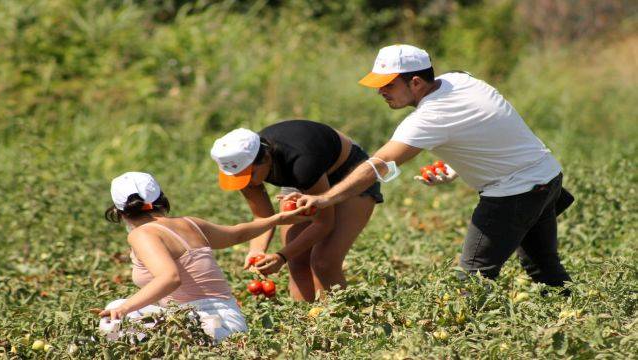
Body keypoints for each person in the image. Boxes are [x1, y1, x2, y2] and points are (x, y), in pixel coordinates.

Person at [292, 45, 573, 288]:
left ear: (415, 82)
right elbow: (484, 124)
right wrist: (456, 167)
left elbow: (377, 166)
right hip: (547, 177)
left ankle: (463, 346)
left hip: (514, 193)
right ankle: (572, 321)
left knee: (472, 279)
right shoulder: (461, 80)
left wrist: (325, 197)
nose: (380, 92)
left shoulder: (429, 118)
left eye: (388, 85)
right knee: (544, 269)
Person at [97, 171, 307, 341]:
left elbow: (169, 278)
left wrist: (125, 308)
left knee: (115, 313)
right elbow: (239, 233)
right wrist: (278, 218)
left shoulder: (141, 234)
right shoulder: (190, 223)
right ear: (162, 199)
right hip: (229, 321)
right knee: (123, 312)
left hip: (202, 324)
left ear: (119, 212)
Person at [210, 121, 384, 301]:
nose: (246, 183)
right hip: (302, 180)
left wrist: (281, 256)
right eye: (238, 178)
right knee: (297, 260)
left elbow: (324, 223)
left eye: (249, 175)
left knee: (324, 261)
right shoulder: (243, 166)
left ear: (266, 160)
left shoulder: (301, 163)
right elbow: (263, 217)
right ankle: (305, 322)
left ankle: (340, 323)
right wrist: (257, 251)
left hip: (348, 173)